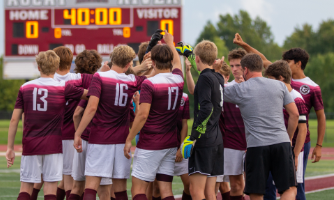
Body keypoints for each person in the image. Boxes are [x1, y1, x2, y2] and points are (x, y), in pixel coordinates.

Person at [233, 33, 326, 200]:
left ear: (298, 64)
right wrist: (244, 45)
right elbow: (260, 60)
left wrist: (318, 145)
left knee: (296, 185)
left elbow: (319, 117)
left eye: (288, 62)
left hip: (298, 140)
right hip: (279, 139)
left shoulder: (310, 87)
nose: (284, 64)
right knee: (271, 185)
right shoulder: (278, 77)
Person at [6, 50, 86, 200]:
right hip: (53, 144)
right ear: (56, 68)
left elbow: (14, 120)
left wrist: (10, 148)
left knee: (26, 187)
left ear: (38, 67)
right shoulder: (63, 87)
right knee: (50, 188)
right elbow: (90, 94)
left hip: (30, 143)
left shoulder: (25, 87)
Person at [73, 45, 147, 200]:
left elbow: (92, 108)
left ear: (112, 59)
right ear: (128, 64)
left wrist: (78, 132)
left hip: (100, 138)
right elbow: (149, 79)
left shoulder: (99, 77)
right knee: (120, 190)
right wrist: (147, 65)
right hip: (121, 140)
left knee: (91, 187)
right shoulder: (132, 80)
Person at [223, 53, 299, 200]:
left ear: (245, 70)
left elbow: (211, 90)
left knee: (256, 193)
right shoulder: (279, 85)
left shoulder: (240, 89)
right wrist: (288, 137)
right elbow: (294, 114)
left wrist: (214, 71)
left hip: (256, 146)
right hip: (281, 142)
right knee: (289, 190)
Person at [123, 30, 183, 200]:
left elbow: (142, 115)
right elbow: (178, 63)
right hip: (169, 142)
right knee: (166, 191)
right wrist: (171, 43)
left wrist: (129, 138)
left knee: (138, 190)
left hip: (151, 142)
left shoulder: (150, 83)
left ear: (153, 61)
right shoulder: (179, 79)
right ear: (170, 60)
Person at [181, 40, 225, 200]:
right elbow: (204, 70)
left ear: (198, 58)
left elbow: (207, 108)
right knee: (209, 193)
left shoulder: (206, 78)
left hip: (204, 140)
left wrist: (193, 138)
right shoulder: (217, 77)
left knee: (196, 191)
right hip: (216, 139)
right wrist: (189, 54)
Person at [69, 50, 114, 200]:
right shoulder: (102, 80)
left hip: (79, 138)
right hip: (100, 138)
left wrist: (78, 134)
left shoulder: (72, 80)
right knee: (104, 191)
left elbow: (76, 114)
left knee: (76, 187)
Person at [263, 60, 308, 200]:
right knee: (271, 187)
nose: (269, 83)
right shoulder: (276, 96)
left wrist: (294, 154)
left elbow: (302, 130)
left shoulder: (296, 98)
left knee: (294, 188)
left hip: (291, 149)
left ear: (281, 78)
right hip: (276, 148)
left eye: (271, 79)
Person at [213, 59, 232, 200]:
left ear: (227, 77)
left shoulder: (230, 93)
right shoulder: (213, 92)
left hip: (226, 143)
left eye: (221, 75)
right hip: (218, 142)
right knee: (221, 184)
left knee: (217, 184)